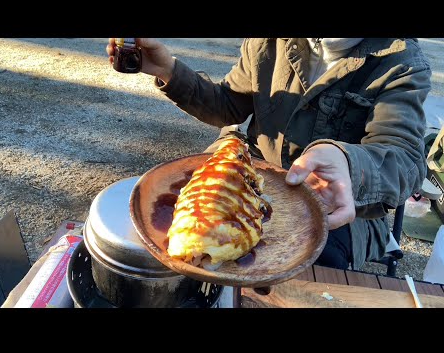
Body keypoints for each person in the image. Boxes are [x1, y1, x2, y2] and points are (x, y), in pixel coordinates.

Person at [106, 38, 432, 271]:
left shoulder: (401, 62)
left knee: (315, 262)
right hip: (252, 174)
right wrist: (169, 70)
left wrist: (348, 161)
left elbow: (405, 159)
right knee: (175, 239)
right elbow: (228, 105)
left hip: (343, 205)